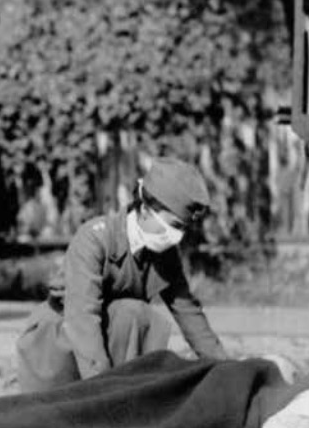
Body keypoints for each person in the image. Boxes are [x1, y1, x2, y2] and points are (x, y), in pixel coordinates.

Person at [17, 157, 228, 393]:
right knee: (132, 313)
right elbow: (82, 319)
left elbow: (189, 313)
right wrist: (103, 391)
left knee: (137, 315)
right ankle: (113, 397)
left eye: (182, 229)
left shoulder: (164, 255)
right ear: (146, 210)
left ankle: (125, 394)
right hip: (59, 342)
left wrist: (226, 371)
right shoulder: (95, 238)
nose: (177, 236)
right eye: (174, 225)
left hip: (105, 340)